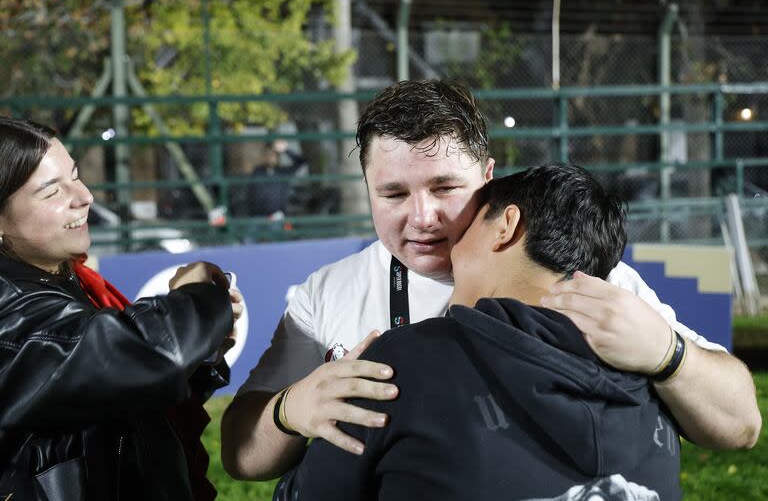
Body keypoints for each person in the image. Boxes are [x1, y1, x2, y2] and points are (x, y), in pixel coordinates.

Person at [221, 79, 760, 481]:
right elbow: (240, 455)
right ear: (366, 189)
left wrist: (669, 355)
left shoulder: (590, 277)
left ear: (487, 179)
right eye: (393, 194)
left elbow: (741, 425)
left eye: (444, 187)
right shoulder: (330, 291)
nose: (422, 216)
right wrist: (291, 411)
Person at [273, 166, 683, 500]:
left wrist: (291, 412)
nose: (450, 249)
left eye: (471, 226)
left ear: (506, 225)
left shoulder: (400, 364)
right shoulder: (656, 371)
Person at [0, 116, 242, 500]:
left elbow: (127, 402)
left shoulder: (65, 280)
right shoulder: (11, 314)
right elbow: (147, 353)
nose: (84, 196)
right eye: (51, 192)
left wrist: (203, 357)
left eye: (75, 174)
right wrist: (197, 296)